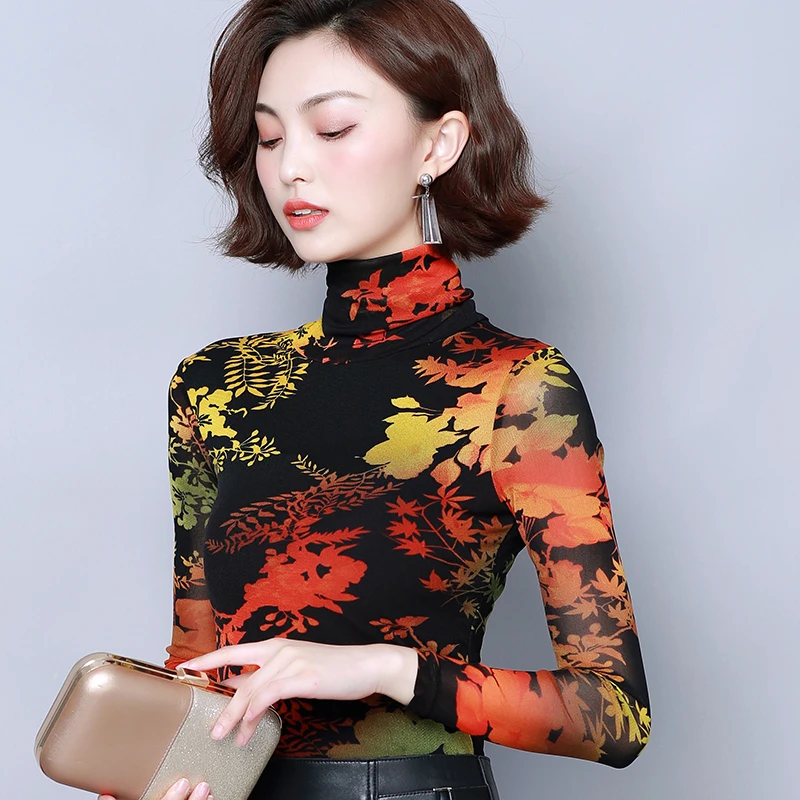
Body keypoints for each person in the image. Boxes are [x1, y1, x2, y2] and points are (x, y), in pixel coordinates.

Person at [101, 1, 650, 799]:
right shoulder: (215, 386)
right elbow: (198, 669)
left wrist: (385, 669)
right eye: (269, 137)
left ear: (438, 144)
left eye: (332, 129)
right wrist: (153, 779)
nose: (291, 166)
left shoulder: (516, 387)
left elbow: (614, 716)